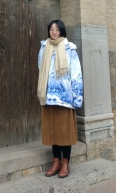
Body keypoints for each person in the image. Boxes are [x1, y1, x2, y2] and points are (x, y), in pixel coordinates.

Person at [37, 20, 83, 178]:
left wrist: (77, 98)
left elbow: (76, 75)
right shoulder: (44, 48)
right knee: (52, 131)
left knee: (65, 133)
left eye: (57, 29)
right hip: (49, 97)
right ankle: (55, 162)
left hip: (65, 98)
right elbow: (40, 68)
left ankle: (65, 163)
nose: (54, 31)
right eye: (51, 29)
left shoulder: (70, 49)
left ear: (62, 31)